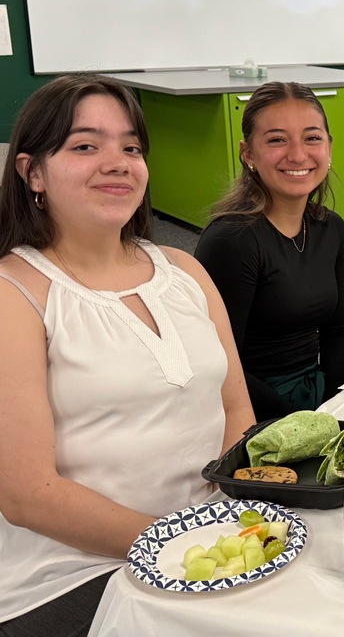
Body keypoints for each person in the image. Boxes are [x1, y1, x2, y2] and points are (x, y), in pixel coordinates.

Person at [0, 75, 254, 635]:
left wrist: (233, 513)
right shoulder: (14, 295)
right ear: (32, 172)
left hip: (209, 541)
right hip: (72, 571)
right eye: (85, 146)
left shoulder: (184, 270)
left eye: (131, 147)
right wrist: (179, 542)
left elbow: (236, 409)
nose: (117, 163)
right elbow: (27, 496)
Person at [194, 82, 344, 422]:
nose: (297, 155)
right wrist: (303, 422)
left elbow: (339, 331)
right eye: (277, 140)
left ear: (329, 146)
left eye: (312, 138)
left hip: (315, 398)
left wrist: (334, 411)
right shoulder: (232, 240)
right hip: (250, 410)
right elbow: (220, 365)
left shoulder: (331, 228)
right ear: (248, 154)